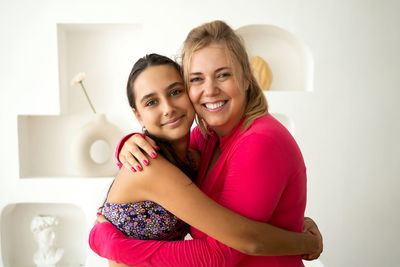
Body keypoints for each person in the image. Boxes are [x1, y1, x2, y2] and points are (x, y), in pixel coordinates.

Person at [90, 21, 322, 266]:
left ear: (246, 78)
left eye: (223, 75)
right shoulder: (208, 137)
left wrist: (114, 246)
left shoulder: (257, 141)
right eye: (197, 79)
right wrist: (125, 144)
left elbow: (231, 248)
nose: (210, 90)